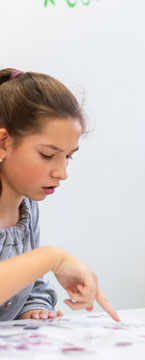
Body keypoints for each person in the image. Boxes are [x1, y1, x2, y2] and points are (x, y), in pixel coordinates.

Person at [0, 68, 119, 322]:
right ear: (3, 142)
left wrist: (33, 312)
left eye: (68, 156)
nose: (62, 173)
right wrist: (52, 258)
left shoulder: (27, 206)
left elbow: (29, 287)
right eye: (47, 155)